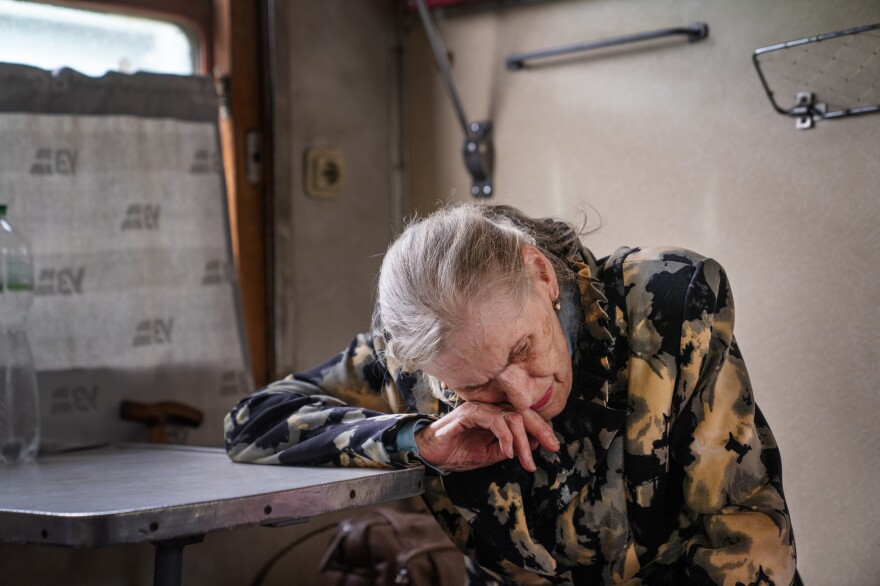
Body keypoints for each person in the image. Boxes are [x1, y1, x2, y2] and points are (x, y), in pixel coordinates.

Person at [225, 204, 797, 585]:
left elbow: (746, 531)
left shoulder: (670, 304)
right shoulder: (409, 360)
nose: (522, 396)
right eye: (476, 386)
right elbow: (253, 421)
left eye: (522, 349)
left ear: (542, 276)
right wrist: (416, 440)